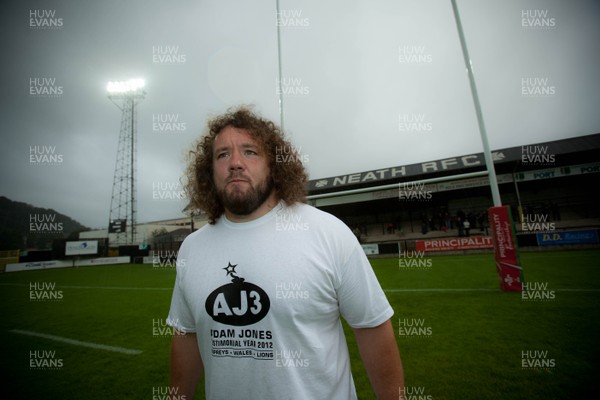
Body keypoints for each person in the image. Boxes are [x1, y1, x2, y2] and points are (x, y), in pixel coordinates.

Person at [167, 106, 404, 399]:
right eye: (223, 154)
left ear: (274, 166)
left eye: (250, 152)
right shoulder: (193, 247)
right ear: (209, 170)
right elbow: (186, 335)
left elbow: (373, 328)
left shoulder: (328, 233)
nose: (236, 163)